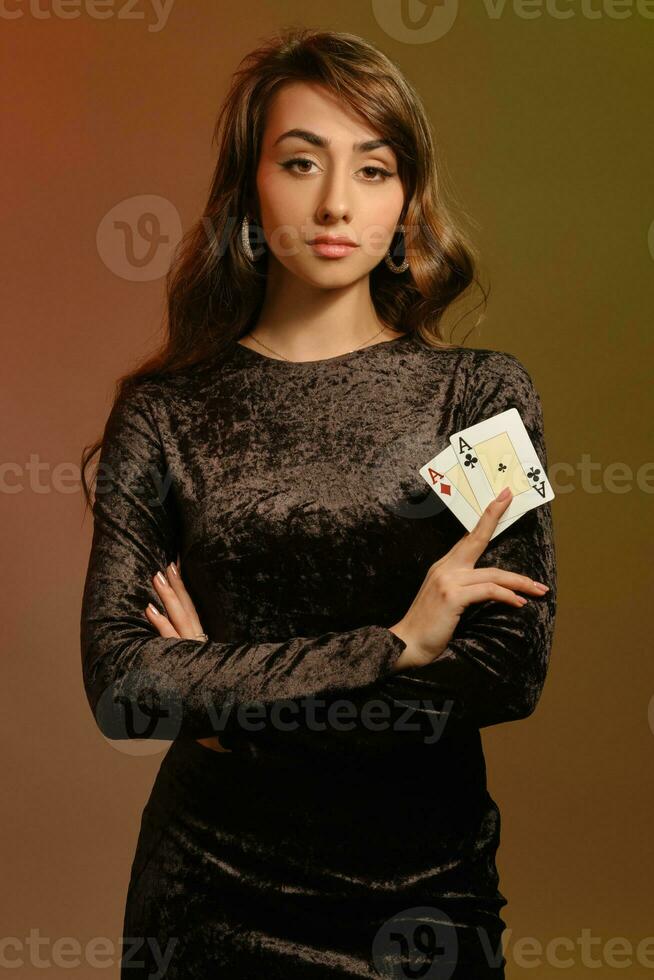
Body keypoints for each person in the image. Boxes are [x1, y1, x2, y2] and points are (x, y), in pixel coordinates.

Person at [79, 27, 557, 980]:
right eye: (302, 163)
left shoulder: (476, 397)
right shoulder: (167, 414)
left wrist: (222, 692)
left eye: (373, 171)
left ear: (406, 199)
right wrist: (394, 642)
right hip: (209, 897)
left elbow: (508, 668)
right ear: (251, 188)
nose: (337, 202)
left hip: (425, 898)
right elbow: (124, 685)